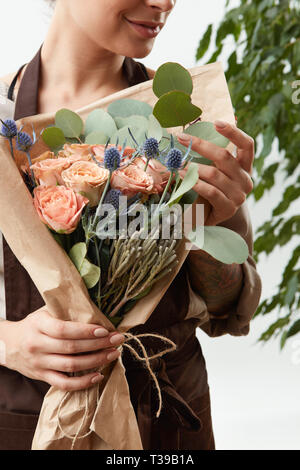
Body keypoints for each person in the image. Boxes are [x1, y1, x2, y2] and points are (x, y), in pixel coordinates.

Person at [0, 0, 262, 450]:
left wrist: (197, 228)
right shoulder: (4, 118)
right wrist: (6, 341)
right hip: (24, 421)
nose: (164, 3)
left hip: (165, 418)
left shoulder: (190, 120)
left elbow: (228, 307)